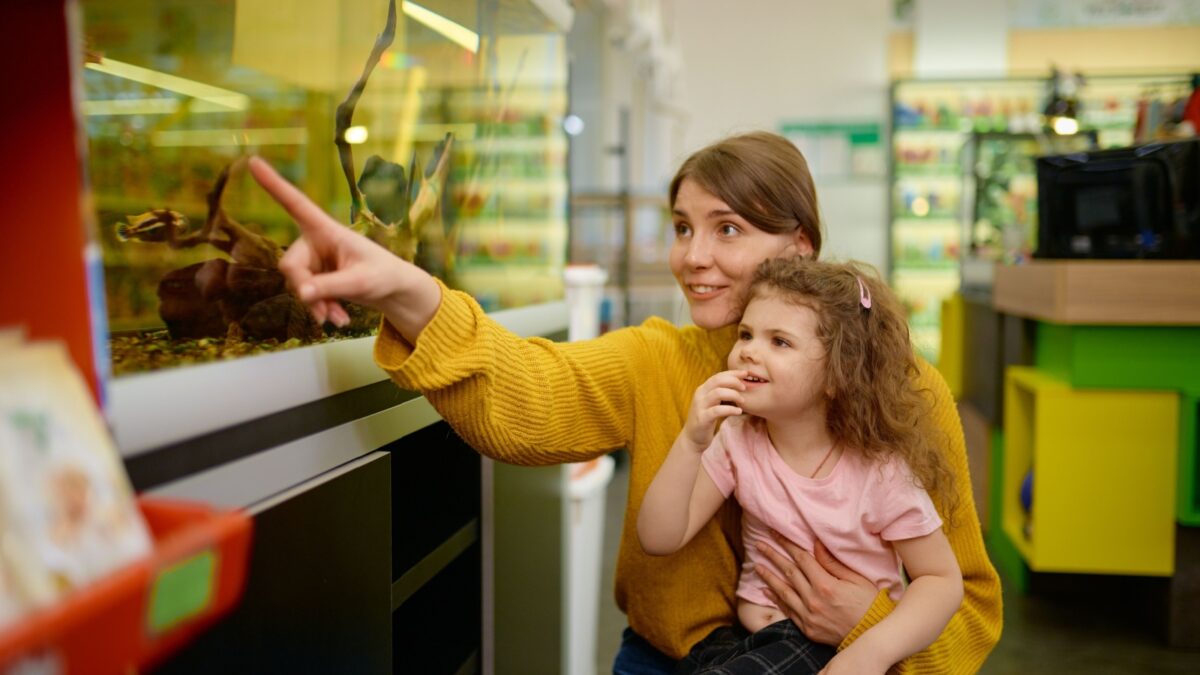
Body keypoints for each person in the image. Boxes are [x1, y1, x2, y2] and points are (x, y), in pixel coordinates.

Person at [248, 131, 1002, 673]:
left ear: (799, 247)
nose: (692, 257)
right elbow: (525, 393)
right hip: (660, 657)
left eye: (727, 228)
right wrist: (409, 291)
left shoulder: (899, 389)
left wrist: (865, 628)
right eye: (681, 227)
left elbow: (965, 607)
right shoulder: (657, 357)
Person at [638, 257, 963, 675]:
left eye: (780, 342)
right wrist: (691, 441)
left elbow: (942, 582)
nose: (748, 352)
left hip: (828, 651)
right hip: (747, 639)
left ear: (837, 376)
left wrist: (871, 653)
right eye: (746, 334)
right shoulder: (738, 438)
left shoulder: (879, 471)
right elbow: (659, 536)